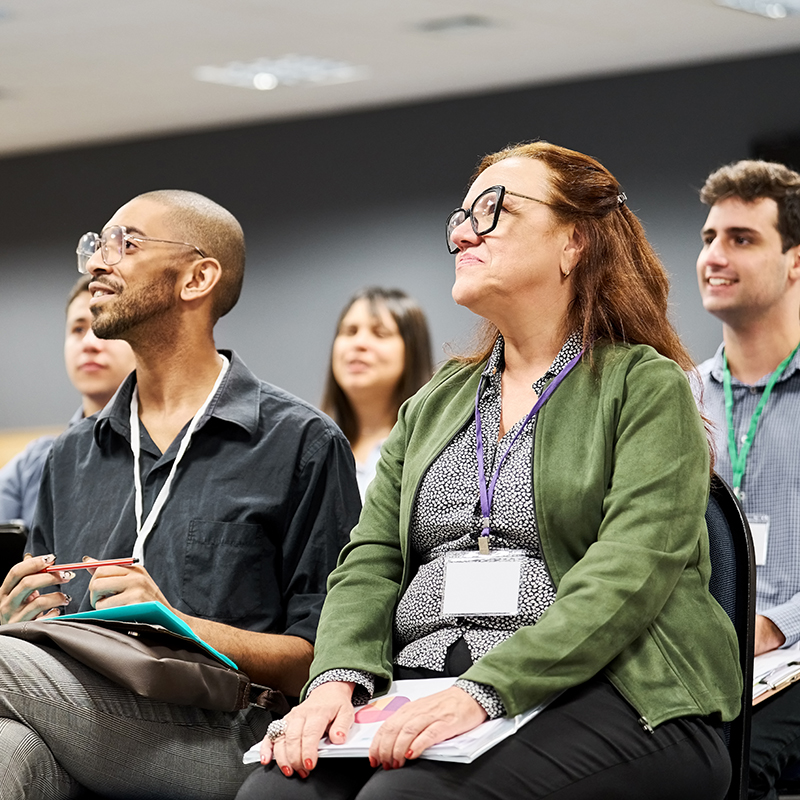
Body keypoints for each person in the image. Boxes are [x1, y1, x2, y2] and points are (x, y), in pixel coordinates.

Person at [236, 141, 742, 800]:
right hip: (422, 685)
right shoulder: (435, 402)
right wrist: (335, 680)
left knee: (407, 797)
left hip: (619, 693)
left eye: (492, 209)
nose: (462, 232)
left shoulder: (643, 387)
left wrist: (487, 690)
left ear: (574, 243)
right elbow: (370, 561)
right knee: (275, 792)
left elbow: (631, 569)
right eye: (461, 214)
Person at [0, 189, 361, 800]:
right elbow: (48, 632)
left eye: (126, 243)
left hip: (226, 730)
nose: (96, 263)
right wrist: (15, 619)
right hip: (79, 709)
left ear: (197, 277)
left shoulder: (301, 442)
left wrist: (177, 624)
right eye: (95, 245)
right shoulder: (71, 454)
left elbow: (321, 657)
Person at [693, 159, 800, 800]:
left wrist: (776, 624)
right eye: (709, 238)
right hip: (698, 658)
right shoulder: (677, 400)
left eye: (742, 238)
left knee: (727, 769)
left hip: (793, 658)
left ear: (796, 261)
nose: (714, 256)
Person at [0, 274, 136, 531]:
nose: (89, 343)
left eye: (105, 328)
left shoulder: (168, 453)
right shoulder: (34, 464)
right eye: (78, 329)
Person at [321, 287, 433, 499]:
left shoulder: (430, 448)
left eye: (380, 333)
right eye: (350, 331)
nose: (359, 344)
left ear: (413, 352)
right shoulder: (312, 445)